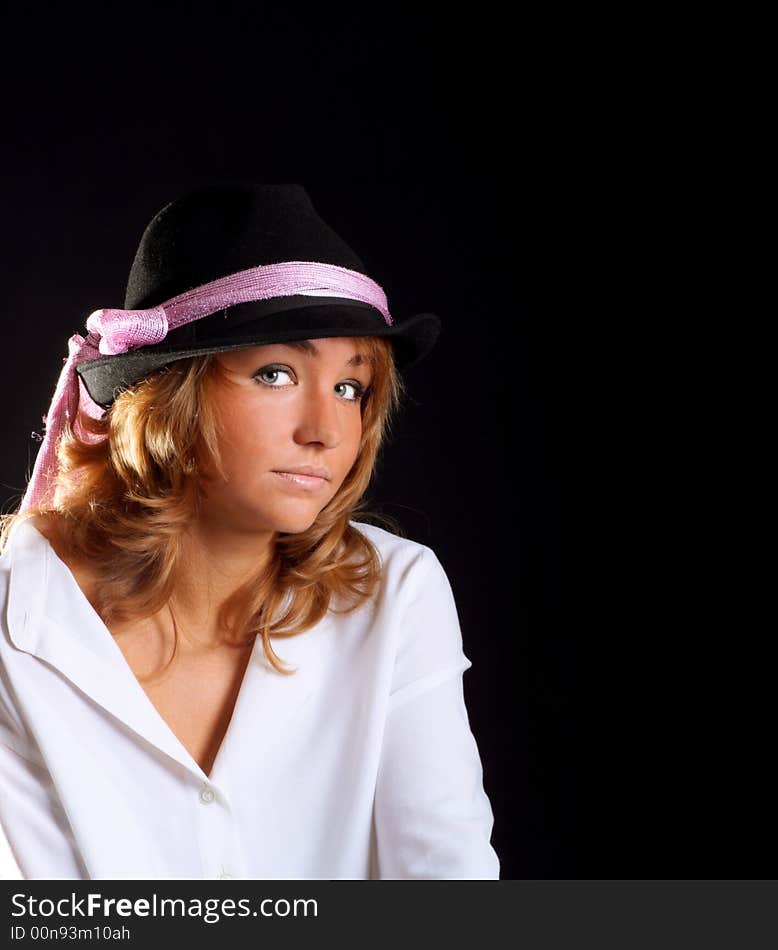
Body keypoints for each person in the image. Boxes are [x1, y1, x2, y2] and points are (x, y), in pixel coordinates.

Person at [0, 183, 500, 880]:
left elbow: (448, 880)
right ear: (171, 396)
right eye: (276, 373)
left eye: (350, 388)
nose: (325, 432)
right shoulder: (17, 612)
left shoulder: (395, 595)